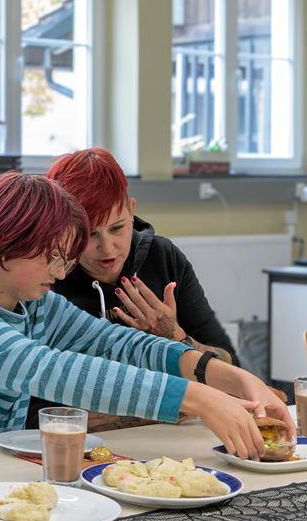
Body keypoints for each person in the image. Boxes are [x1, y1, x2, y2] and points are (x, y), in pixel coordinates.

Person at [0, 173, 294, 461]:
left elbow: (119, 344)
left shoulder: (37, 305)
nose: (61, 272)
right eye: (52, 256)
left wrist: (227, 376)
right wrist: (199, 398)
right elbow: (54, 370)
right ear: (8, 244)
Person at [26, 147, 238, 431]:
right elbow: (33, 411)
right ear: (62, 229)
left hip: (166, 441)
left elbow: (227, 366)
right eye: (89, 235)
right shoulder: (43, 278)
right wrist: (162, 408)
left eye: (117, 228)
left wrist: (176, 338)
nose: (108, 248)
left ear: (132, 210)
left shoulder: (162, 257)